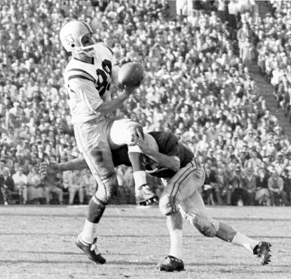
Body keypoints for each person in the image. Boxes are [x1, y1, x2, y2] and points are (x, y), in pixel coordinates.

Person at [40, 130, 272, 271]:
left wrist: (149, 152)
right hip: (175, 180)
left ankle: (176, 257)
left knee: (166, 201)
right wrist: (60, 167)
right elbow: (98, 159)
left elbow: (173, 164)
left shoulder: (166, 140)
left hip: (191, 171)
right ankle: (255, 246)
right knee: (206, 227)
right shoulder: (131, 151)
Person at [58, 20, 157, 264]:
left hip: (108, 121)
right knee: (108, 188)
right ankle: (85, 238)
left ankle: (141, 187)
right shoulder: (74, 74)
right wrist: (126, 93)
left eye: (90, 37)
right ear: (71, 46)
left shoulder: (102, 51)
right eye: (85, 41)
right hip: (89, 129)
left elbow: (113, 77)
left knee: (134, 130)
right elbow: (101, 106)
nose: (91, 43)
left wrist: (126, 75)